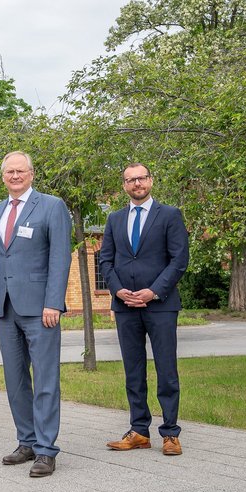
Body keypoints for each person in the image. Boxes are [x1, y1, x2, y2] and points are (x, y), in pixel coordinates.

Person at [0, 151, 72, 478]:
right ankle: (27, 441)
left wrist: (54, 302)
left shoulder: (51, 206)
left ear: (32, 174)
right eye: (9, 172)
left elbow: (60, 258)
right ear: (3, 176)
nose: (15, 176)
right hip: (4, 309)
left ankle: (46, 450)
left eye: (21, 171)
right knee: (15, 380)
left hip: (40, 309)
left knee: (46, 379)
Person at [98, 163, 189, 456]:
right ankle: (138, 431)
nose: (136, 183)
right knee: (133, 371)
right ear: (124, 185)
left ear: (150, 180)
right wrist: (117, 289)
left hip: (160, 305)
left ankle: (170, 433)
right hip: (125, 306)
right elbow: (105, 261)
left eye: (141, 178)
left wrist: (153, 292)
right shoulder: (114, 219)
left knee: (166, 370)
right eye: (130, 180)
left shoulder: (170, 216)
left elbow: (179, 260)